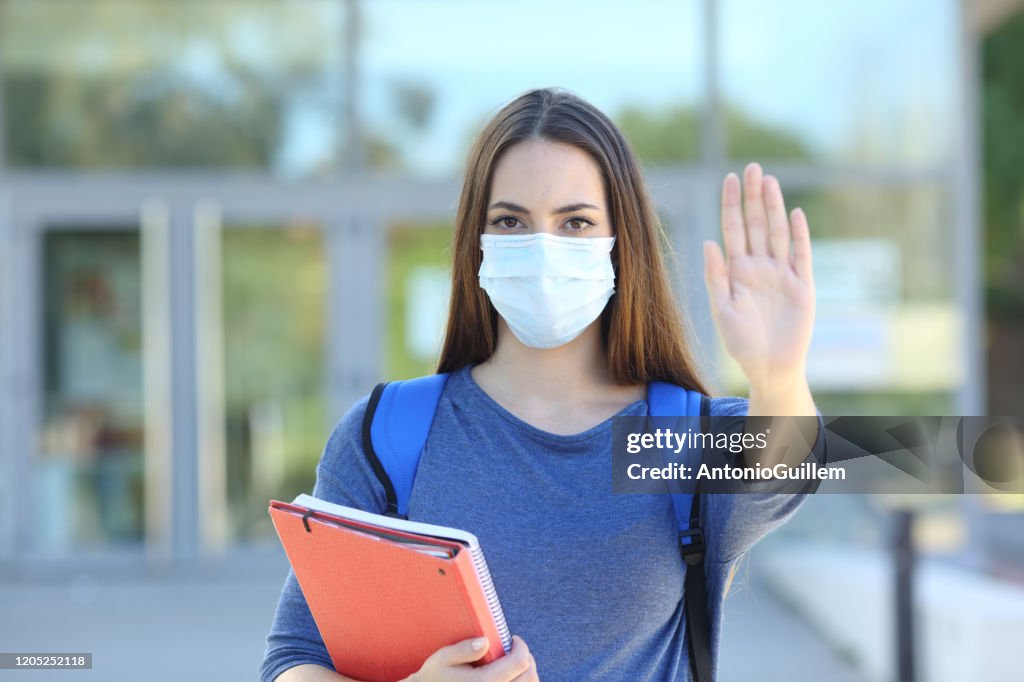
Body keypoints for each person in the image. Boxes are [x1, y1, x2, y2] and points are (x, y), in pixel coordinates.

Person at [260, 87, 825, 682]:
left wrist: (779, 372)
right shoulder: (387, 435)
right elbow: (292, 661)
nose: (543, 248)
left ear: (620, 242)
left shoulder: (685, 438)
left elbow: (794, 465)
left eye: (575, 221)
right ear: (475, 242)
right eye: (511, 221)